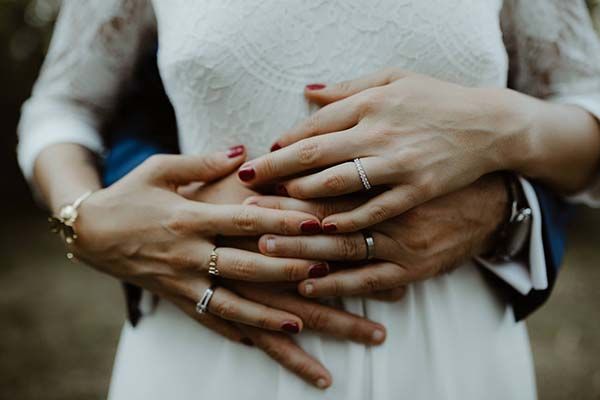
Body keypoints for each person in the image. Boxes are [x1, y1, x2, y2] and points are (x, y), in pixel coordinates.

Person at [17, 1, 600, 399]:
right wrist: (85, 214)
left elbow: (585, 106)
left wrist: (499, 132)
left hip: (450, 344)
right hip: (210, 337)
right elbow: (64, 106)